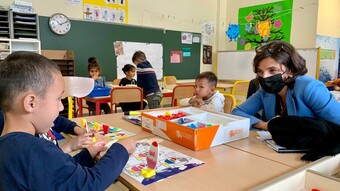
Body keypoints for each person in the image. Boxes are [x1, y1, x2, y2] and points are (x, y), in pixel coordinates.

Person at [0, 51, 135, 190]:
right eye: (58, 99)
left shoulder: (13, 146)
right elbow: (89, 184)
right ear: (31, 103)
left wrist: (87, 154)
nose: (61, 107)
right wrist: (122, 149)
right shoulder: (32, 150)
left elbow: (60, 173)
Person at [231, 40, 340, 130]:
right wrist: (265, 125)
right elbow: (237, 112)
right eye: (260, 71)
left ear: (291, 70)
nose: (264, 77)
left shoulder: (310, 88)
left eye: (272, 70)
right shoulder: (265, 91)